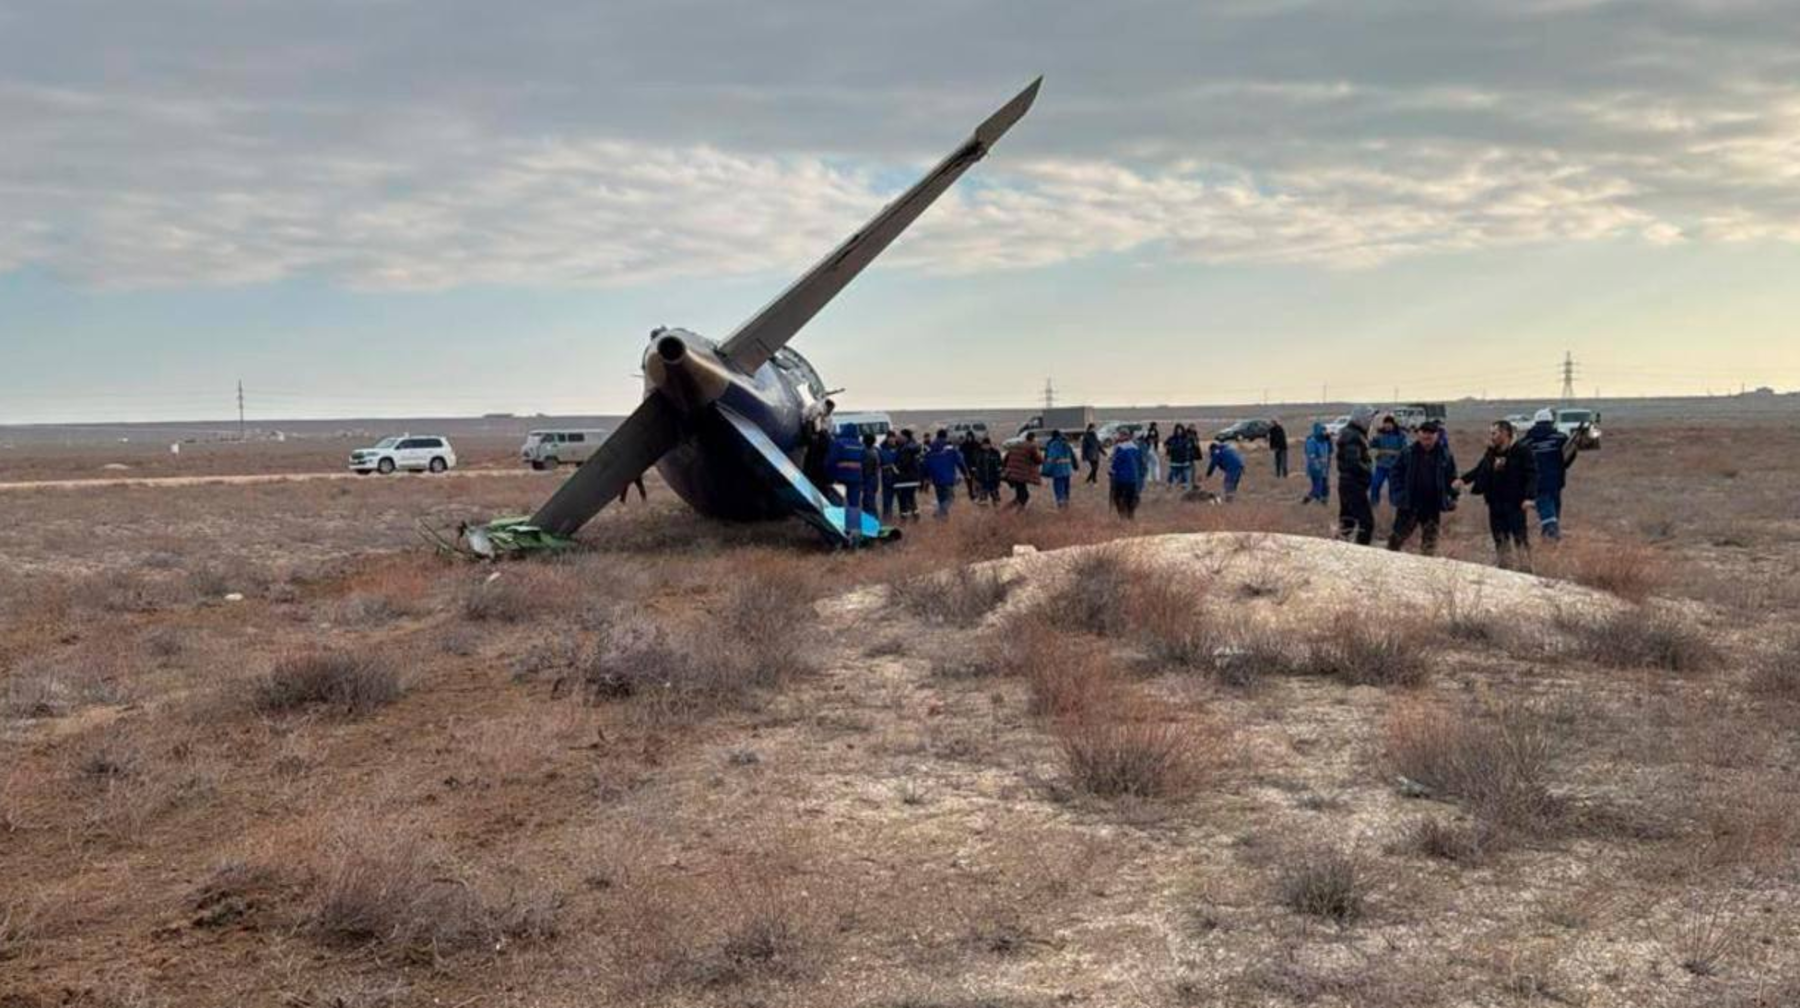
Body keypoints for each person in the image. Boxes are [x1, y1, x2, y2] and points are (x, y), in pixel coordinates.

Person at [1461, 419, 1538, 570]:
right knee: (1500, 538)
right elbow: (1479, 469)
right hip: (1495, 502)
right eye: (1491, 433)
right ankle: (1505, 569)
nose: (1492, 437)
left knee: (1520, 537)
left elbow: (1532, 475)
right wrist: (1462, 480)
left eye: (1494, 433)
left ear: (1505, 433)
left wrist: (1529, 497)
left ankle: (1526, 568)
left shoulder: (1521, 451)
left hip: (1515, 503)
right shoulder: (1491, 452)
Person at [1386, 421, 1457, 556]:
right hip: (1409, 503)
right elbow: (1395, 473)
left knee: (1430, 543)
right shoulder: (1408, 453)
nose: (1426, 441)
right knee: (1396, 539)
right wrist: (1399, 494)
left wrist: (1452, 497)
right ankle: (1387, 564)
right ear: (1418, 435)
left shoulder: (1445, 455)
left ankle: (1426, 569)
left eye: (1430, 438)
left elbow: (1452, 478)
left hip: (1432, 504)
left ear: (1436, 436)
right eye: (1424, 438)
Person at [1520, 408, 1579, 540]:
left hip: (1536, 481)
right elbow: (1569, 454)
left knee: (1545, 504)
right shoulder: (1560, 438)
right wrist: (1563, 467)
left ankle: (1549, 533)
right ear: (1551, 422)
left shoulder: (1526, 442)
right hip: (1556, 480)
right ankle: (1551, 532)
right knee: (1553, 505)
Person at [1336, 406, 1377, 545]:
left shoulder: (1354, 433)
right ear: (1362, 419)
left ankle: (1337, 550)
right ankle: (1361, 554)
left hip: (1349, 483)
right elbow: (1353, 463)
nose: (1371, 422)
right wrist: (1368, 470)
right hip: (1353, 484)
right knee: (1367, 522)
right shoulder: (1353, 436)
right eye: (1369, 418)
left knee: (1348, 522)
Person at [826, 422, 868, 545]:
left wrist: (829, 477)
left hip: (840, 478)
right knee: (854, 506)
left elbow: (831, 461)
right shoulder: (860, 445)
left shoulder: (838, 443)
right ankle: (854, 535)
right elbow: (865, 463)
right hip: (856, 479)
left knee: (837, 504)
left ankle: (836, 533)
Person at [923, 429, 968, 518]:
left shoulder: (930, 447)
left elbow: (925, 463)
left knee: (941, 499)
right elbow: (959, 461)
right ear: (945, 436)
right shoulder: (950, 447)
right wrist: (965, 473)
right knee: (950, 498)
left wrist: (926, 476)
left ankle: (943, 521)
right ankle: (939, 512)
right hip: (947, 477)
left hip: (935, 478)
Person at [1368, 415, 1408, 508]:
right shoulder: (1380, 435)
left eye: (1389, 424)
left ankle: (1393, 506)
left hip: (1394, 467)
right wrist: (1372, 444)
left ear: (1393, 424)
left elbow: (1405, 451)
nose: (1387, 426)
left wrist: (1387, 452)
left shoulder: (1400, 436)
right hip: (1381, 466)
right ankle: (1374, 504)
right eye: (1386, 424)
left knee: (1393, 489)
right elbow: (1371, 446)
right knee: (1375, 484)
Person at [1000, 431, 1045, 510]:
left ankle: (1005, 511)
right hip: (1021, 475)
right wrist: (1038, 450)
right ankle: (1017, 513)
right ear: (1033, 439)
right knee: (1024, 496)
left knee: (1020, 496)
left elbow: (1005, 460)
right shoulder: (1032, 446)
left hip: (1012, 474)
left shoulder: (1016, 445)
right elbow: (1039, 460)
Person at [1108, 428, 1143, 519]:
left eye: (1120, 435)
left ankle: (1122, 516)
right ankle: (1131, 516)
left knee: (1117, 497)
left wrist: (1111, 470)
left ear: (1124, 436)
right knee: (1130, 498)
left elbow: (1116, 461)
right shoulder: (1135, 447)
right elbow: (1140, 462)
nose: (1118, 436)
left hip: (1121, 478)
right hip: (1133, 478)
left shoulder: (1120, 448)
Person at [893, 429, 923, 520]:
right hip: (912, 478)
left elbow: (902, 464)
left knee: (903, 499)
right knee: (911, 498)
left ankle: (905, 519)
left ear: (905, 437)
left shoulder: (906, 450)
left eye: (900, 436)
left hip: (904, 478)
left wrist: (894, 468)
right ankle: (915, 517)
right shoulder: (912, 447)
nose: (898, 437)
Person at [1041, 429, 1077, 508]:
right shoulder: (1066, 444)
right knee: (1066, 487)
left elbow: (1051, 458)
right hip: (1067, 470)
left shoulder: (1053, 445)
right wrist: (1075, 466)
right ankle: (1066, 502)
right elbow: (1072, 456)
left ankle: (1060, 504)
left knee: (1059, 488)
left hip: (1057, 470)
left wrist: (1046, 470)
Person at [1302, 422, 1333, 503]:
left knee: (1322, 484)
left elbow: (1329, 451)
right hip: (1315, 466)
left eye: (1325, 430)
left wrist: (1327, 461)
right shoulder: (1312, 441)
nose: (1325, 432)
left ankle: (1321, 499)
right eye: (1323, 430)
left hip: (1324, 466)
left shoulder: (1325, 440)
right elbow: (1310, 454)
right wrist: (1317, 463)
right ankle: (1307, 499)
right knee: (1318, 485)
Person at [877, 431, 901, 520]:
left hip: (898, 477)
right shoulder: (881, 449)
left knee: (901, 499)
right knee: (887, 499)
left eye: (893, 437)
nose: (891, 440)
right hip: (886, 477)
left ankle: (901, 516)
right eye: (889, 438)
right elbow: (879, 463)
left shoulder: (900, 448)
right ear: (887, 438)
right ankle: (887, 517)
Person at [974, 436, 1003, 503]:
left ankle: (996, 508)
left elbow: (999, 464)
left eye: (987, 445)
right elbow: (976, 464)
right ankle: (984, 507)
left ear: (989, 444)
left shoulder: (995, 452)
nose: (985, 446)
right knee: (983, 498)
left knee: (995, 497)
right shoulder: (978, 453)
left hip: (993, 478)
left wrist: (999, 472)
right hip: (982, 478)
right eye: (984, 445)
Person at [1165, 425, 1196, 489]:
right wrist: (1168, 452)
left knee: (1185, 474)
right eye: (1178, 430)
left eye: (1180, 430)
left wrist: (1190, 456)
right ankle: (1170, 484)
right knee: (1173, 473)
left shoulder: (1186, 438)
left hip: (1184, 460)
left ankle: (1185, 486)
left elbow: (1191, 448)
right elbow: (1166, 445)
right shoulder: (1172, 438)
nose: (1179, 431)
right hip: (1175, 460)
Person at [959, 430, 983, 501]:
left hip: (976, 466)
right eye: (968, 437)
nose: (969, 438)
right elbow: (960, 456)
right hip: (967, 466)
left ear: (972, 437)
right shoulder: (963, 445)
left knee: (977, 481)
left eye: (970, 437)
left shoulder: (977, 444)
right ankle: (971, 494)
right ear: (966, 437)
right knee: (968, 481)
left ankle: (978, 493)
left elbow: (981, 453)